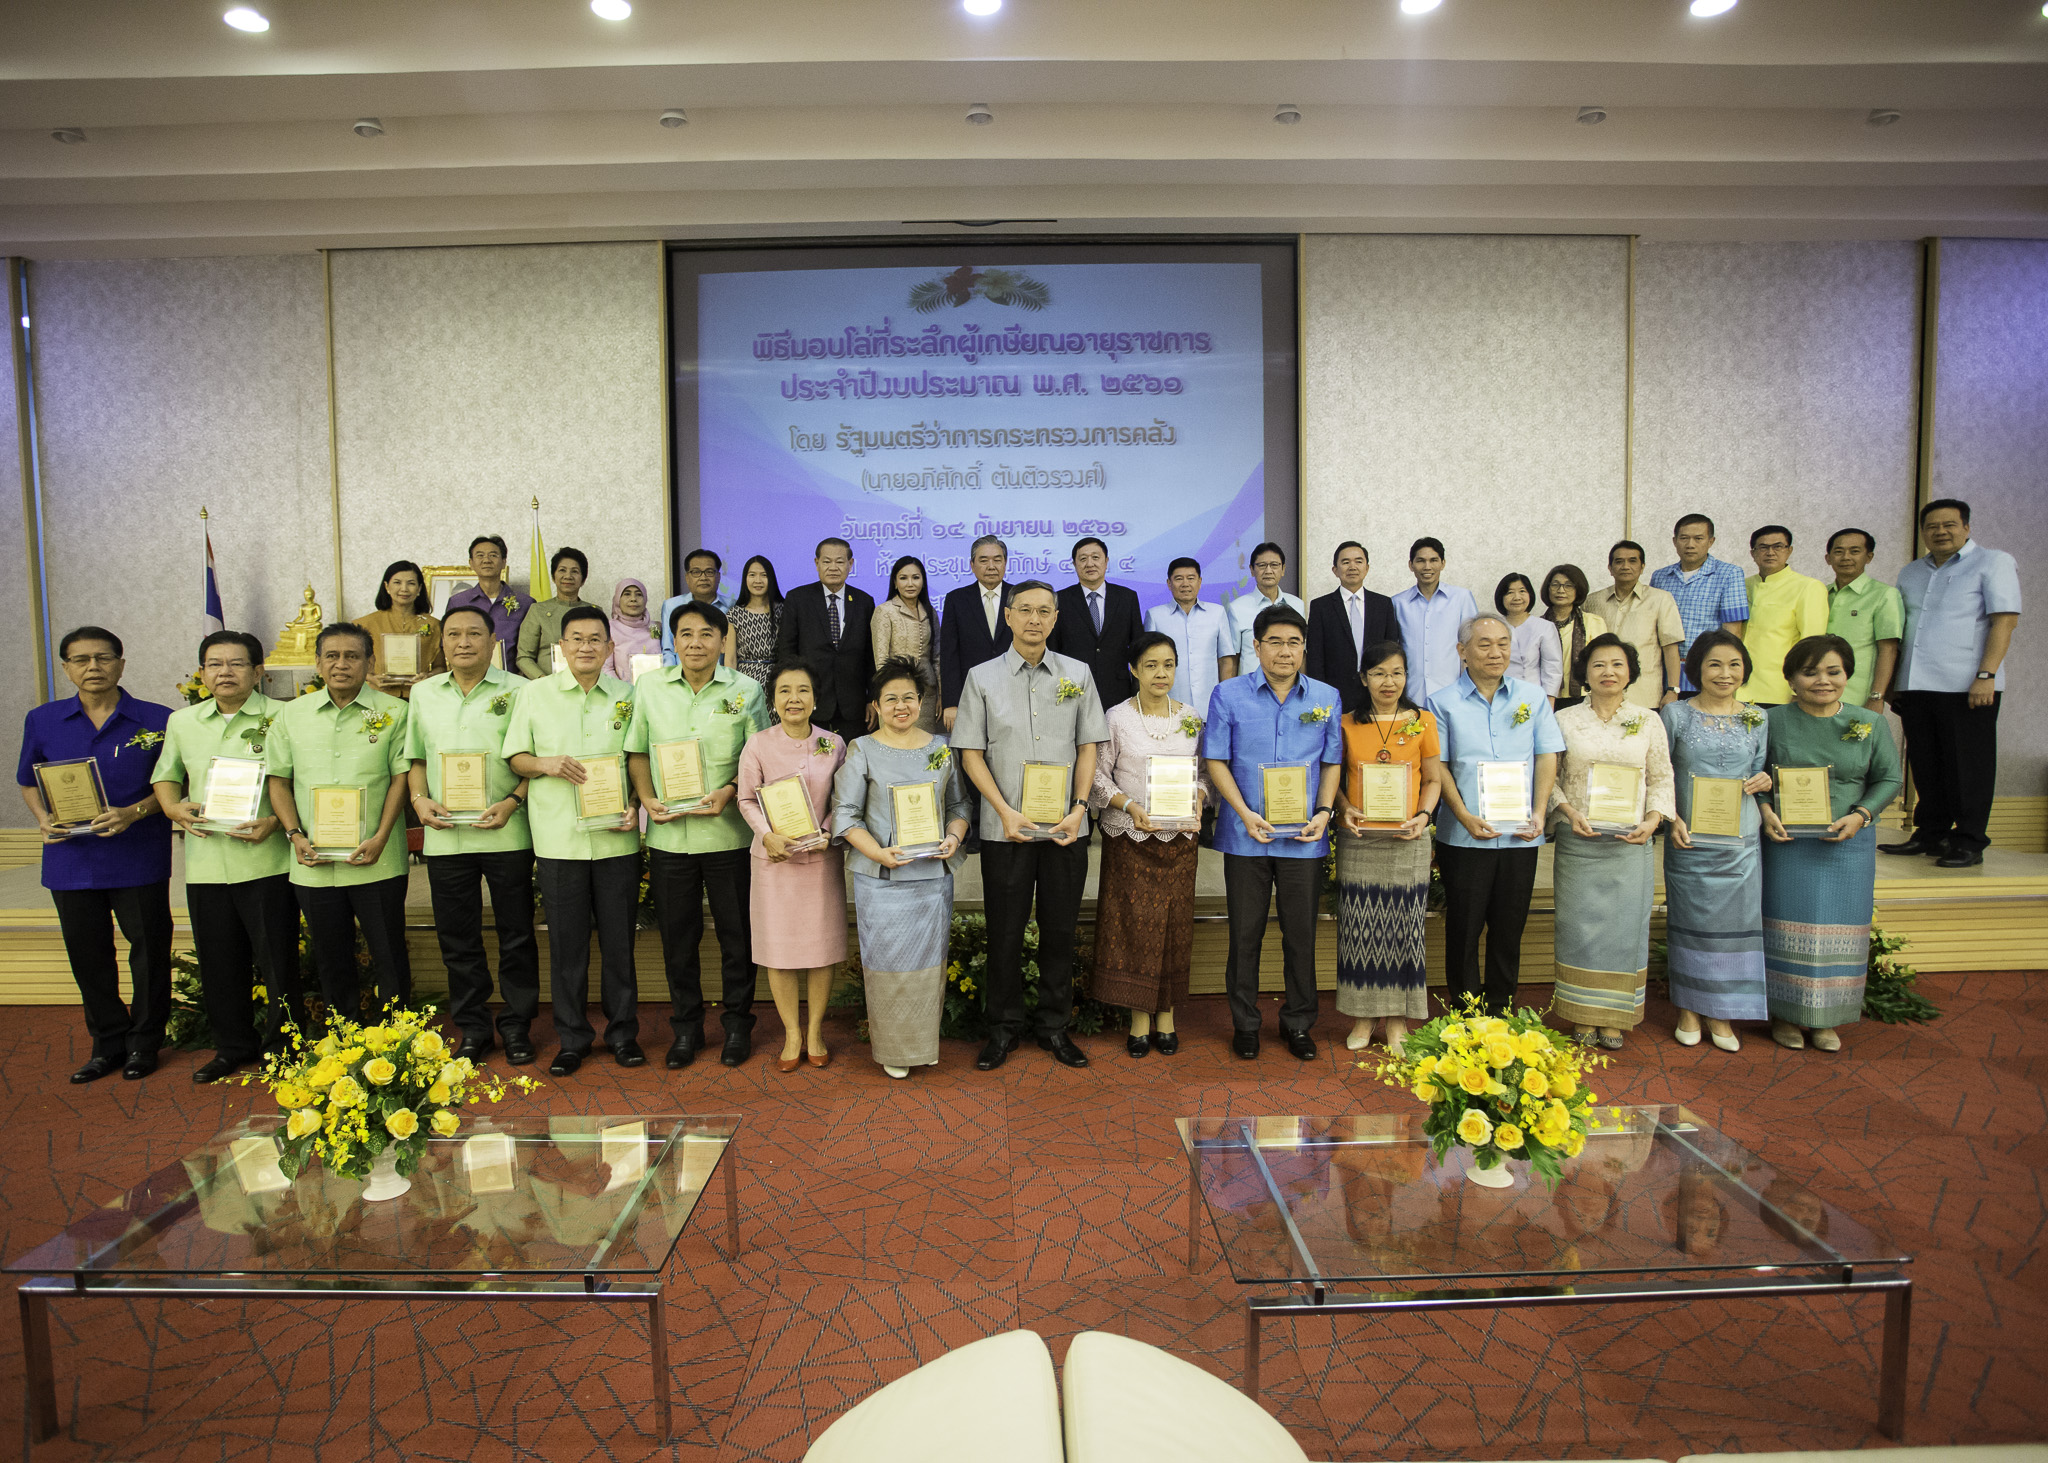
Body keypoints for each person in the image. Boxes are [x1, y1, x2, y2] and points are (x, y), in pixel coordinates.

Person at [953, 580, 1107, 1071]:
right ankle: (1003, 1029)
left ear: (1056, 618)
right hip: (1007, 830)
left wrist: (1080, 808)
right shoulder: (981, 677)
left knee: (1060, 931)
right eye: (1025, 610)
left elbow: (1088, 747)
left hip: (1065, 829)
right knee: (1005, 933)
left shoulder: (1078, 673)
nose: (1034, 619)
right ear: (1009, 617)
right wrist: (1003, 810)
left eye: (1044, 611)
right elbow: (970, 753)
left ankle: (1055, 1027)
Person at [17, 627, 174, 1082]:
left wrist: (134, 812)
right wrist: (43, 818)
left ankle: (145, 1042)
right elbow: (28, 780)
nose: (93, 667)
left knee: (150, 953)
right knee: (89, 956)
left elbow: (175, 785)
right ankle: (107, 1043)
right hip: (72, 859)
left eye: (103, 658)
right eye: (81, 659)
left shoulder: (158, 719)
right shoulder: (43, 719)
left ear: (121, 664)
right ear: (66, 667)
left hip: (138, 854)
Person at [151, 630, 303, 1081]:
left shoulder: (285, 716)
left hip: (267, 860)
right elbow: (166, 776)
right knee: (219, 963)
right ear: (202, 673)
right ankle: (232, 1046)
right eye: (214, 664)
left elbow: (300, 780)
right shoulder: (183, 722)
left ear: (258, 672)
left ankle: (284, 1047)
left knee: (278, 962)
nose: (225, 673)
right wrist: (173, 808)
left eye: (236, 664)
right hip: (206, 864)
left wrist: (275, 822)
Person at [626, 600, 770, 1067]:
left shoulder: (746, 690)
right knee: (678, 939)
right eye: (686, 634)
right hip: (670, 837)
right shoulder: (649, 687)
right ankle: (686, 1029)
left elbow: (761, 758)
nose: (696, 643)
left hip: (728, 836)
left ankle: (737, 1026)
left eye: (707, 634)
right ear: (674, 641)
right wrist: (646, 798)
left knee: (736, 937)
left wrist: (730, 789)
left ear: (723, 641)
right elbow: (637, 752)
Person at [503, 605, 642, 1075]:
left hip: (616, 840)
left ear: (610, 647)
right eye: (576, 639)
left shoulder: (628, 696)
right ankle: (573, 1039)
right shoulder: (535, 694)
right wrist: (545, 764)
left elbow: (639, 762)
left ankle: (623, 1035)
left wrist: (636, 804)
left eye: (595, 639)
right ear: (560, 647)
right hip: (559, 840)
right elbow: (515, 756)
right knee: (567, 948)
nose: (586, 647)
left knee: (619, 945)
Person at [1203, 604, 1343, 1061]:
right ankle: (1245, 1024)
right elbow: (1215, 759)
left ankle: (1298, 1023)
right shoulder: (1227, 694)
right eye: (1275, 642)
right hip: (1246, 834)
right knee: (1245, 935)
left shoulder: (1326, 696)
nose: (1285, 651)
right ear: (1257, 647)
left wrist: (1324, 811)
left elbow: (1332, 761)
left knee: (1301, 936)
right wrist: (1243, 813)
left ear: (1304, 648)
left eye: (1294, 642)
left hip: (1305, 837)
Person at [405, 603, 539, 1064]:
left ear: (493, 641)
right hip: (446, 837)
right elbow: (415, 758)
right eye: (454, 634)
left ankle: (517, 1026)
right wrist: (419, 801)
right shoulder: (423, 694)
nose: (463, 642)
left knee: (516, 934)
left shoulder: (521, 690)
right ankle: (474, 1028)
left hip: (506, 832)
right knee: (457, 938)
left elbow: (533, 759)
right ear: (442, 643)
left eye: (474, 634)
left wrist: (513, 800)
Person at [1760, 635, 1904, 1052]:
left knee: (1839, 928)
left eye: (1833, 672)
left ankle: (1827, 1019)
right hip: (1787, 843)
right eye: (1810, 672)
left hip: (1848, 844)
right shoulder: (1771, 720)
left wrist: (1861, 815)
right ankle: (1785, 1014)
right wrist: (1765, 810)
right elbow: (1753, 774)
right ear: (1791, 679)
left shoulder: (1869, 722)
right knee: (1786, 924)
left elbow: (1889, 778)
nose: (1822, 680)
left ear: (1847, 676)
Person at [265, 623, 412, 1026]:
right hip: (313, 861)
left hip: (378, 858)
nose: (341, 664)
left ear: (370, 662)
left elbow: (401, 779)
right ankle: (343, 1037)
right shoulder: (291, 714)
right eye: (332, 656)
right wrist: (294, 834)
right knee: (330, 957)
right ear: (317, 663)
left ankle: (399, 1037)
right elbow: (278, 781)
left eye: (352, 656)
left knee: (389, 954)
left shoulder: (396, 712)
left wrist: (381, 837)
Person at [831, 658, 971, 1078]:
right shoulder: (861, 749)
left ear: (922, 702)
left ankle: (923, 1044)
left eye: (909, 697)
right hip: (882, 880)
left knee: (928, 966)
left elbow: (959, 805)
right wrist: (878, 853)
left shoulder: (941, 747)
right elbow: (845, 815)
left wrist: (954, 837)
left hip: (931, 880)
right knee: (888, 966)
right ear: (875, 705)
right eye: (890, 699)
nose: (901, 706)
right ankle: (893, 1049)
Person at [1428, 615, 1563, 1013]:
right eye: (1484, 644)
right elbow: (1439, 766)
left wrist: (1540, 812)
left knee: (1509, 927)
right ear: (1462, 652)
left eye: (1503, 643)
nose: (1496, 652)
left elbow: (1547, 755)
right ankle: (1466, 1010)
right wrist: (1463, 815)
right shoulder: (1441, 702)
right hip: (1464, 835)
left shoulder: (1532, 697)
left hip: (1521, 834)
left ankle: (1502, 1008)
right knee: (1464, 928)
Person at [1546, 633, 1675, 1050]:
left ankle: (1614, 1017)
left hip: (1630, 844)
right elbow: (1549, 779)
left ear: (1631, 672)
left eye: (1618, 664)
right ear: (1584, 672)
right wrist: (1568, 812)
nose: (1608, 672)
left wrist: (1653, 820)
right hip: (1579, 841)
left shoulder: (1648, 720)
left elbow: (1661, 777)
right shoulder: (1565, 719)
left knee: (1624, 930)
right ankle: (1582, 1014)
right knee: (1578, 928)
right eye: (1598, 664)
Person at [1088, 631, 1210, 1058]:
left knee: (1175, 927)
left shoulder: (1191, 716)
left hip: (1179, 840)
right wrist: (1129, 805)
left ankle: (1167, 1015)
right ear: (1134, 670)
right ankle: (1138, 1018)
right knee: (1132, 927)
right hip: (1131, 836)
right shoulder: (1117, 717)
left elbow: (1204, 773)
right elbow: (1097, 775)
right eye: (1151, 665)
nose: (1161, 673)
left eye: (1169, 665)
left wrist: (1198, 797)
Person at [1884, 498, 2022, 869]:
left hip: (1967, 685)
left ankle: (1970, 840)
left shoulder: (1993, 562)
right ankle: (1930, 833)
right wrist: (1895, 683)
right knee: (1926, 765)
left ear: (1966, 527)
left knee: (1969, 767)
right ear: (1923, 532)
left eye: (1949, 525)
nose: (1940, 532)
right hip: (1916, 683)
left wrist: (1986, 675)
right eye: (1932, 526)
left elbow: (2005, 621)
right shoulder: (1911, 571)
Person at [1661, 630, 1772, 1052]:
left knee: (1735, 925)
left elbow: (1758, 769)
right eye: (1714, 664)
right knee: (1692, 925)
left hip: (1740, 841)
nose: (1725, 673)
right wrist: (1672, 818)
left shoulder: (1758, 717)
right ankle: (1689, 1008)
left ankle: (1722, 1011)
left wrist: (1764, 782)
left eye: (1734, 665)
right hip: (1689, 837)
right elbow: (1661, 773)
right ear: (1696, 670)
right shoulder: (1675, 715)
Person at [736, 661, 849, 1072]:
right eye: (784, 691)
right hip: (774, 862)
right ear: (773, 700)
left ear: (815, 699)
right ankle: (792, 1034)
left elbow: (845, 798)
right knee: (778, 951)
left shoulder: (833, 743)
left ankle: (815, 1031)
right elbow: (746, 799)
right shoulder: (758, 744)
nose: (794, 699)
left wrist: (829, 830)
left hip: (820, 860)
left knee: (822, 950)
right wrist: (767, 835)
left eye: (803, 690)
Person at [1332, 640, 1440, 1053]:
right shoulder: (1347, 723)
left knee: (1404, 931)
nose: (1388, 681)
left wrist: (1423, 816)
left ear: (1407, 676)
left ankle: (1397, 1021)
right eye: (1378, 673)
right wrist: (1344, 808)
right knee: (1360, 931)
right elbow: (1333, 779)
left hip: (1407, 839)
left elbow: (1433, 779)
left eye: (1396, 673)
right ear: (1364, 679)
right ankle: (1363, 1017)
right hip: (1361, 840)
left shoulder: (1422, 721)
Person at [775, 536, 875, 744]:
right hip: (811, 700)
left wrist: (871, 699)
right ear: (817, 563)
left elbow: (870, 656)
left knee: (851, 759)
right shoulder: (797, 599)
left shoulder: (864, 601)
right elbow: (786, 652)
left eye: (840, 561)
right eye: (827, 561)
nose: (833, 567)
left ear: (850, 564)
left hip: (853, 705)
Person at [1650, 514, 1751, 692]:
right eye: (1684, 538)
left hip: (1706, 672)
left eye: (1698, 538)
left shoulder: (1729, 574)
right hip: (1662, 672)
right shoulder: (1660, 577)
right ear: (1674, 541)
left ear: (1711, 541)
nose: (1690, 544)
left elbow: (1733, 633)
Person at [1585, 541, 1683, 710]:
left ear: (1642, 567)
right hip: (1601, 696)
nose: (1625, 566)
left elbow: (1670, 648)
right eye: (1619, 561)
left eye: (1632, 561)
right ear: (1610, 568)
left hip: (1644, 696)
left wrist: (1673, 690)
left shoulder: (1660, 599)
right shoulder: (1592, 601)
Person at [1306, 540, 1399, 717]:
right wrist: (1319, 695)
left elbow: (1391, 650)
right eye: (1345, 562)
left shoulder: (1383, 604)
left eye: (1358, 561)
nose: (1352, 567)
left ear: (1367, 568)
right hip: (1334, 692)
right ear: (1335, 570)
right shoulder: (1321, 606)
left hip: (1376, 691)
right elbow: (1315, 656)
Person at [1738, 526, 1829, 706]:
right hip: (1735, 688)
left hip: (1779, 689)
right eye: (1763, 547)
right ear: (1753, 553)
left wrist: (1799, 689)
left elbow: (1812, 644)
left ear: (1789, 550)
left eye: (1778, 546)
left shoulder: (1808, 587)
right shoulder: (1741, 585)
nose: (1770, 552)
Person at [1051, 535, 1144, 709]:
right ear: (1074, 564)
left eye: (1095, 557)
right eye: (1083, 559)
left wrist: (1138, 690)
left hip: (1119, 691)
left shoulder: (1127, 597)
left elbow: (1138, 647)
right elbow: (1053, 649)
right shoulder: (1060, 599)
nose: (1090, 564)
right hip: (1073, 691)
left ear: (1106, 561)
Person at [1824, 528, 1905, 712]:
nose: (1846, 557)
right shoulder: (1820, 593)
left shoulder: (1884, 595)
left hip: (1859, 696)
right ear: (1828, 558)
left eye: (1854, 551)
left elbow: (1888, 650)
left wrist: (1877, 696)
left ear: (1869, 557)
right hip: (1819, 691)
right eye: (1839, 551)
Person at [939, 534, 1014, 730]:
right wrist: (951, 703)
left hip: (1015, 691)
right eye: (983, 560)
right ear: (972, 565)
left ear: (1005, 563)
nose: (991, 566)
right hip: (971, 693)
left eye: (997, 560)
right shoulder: (956, 599)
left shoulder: (1020, 596)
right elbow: (949, 654)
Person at [1392, 538, 1480, 701]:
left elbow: (1473, 645)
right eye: (1420, 561)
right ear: (1411, 565)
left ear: (1443, 563)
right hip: (1411, 695)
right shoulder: (1398, 603)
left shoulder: (1461, 598)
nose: (1427, 567)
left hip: (1453, 693)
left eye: (1433, 560)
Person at [1144, 557, 1233, 713]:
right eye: (1179, 579)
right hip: (1169, 707)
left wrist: (1225, 699)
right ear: (1169, 583)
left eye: (1191, 578)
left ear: (1200, 581)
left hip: (1210, 706)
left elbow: (1226, 660)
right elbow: (1148, 663)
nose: (1185, 584)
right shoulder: (1155, 615)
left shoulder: (1217, 613)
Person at [871, 554, 943, 731]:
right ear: (895, 583)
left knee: (928, 744)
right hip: (897, 696)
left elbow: (937, 657)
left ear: (923, 582)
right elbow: (881, 661)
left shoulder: (930, 612)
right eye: (903, 578)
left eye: (916, 578)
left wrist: (942, 694)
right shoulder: (885, 611)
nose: (910, 584)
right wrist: (889, 696)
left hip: (928, 693)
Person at [354, 559, 443, 700]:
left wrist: (428, 676)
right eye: (397, 582)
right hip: (377, 696)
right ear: (387, 587)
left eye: (411, 583)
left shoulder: (434, 625)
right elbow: (352, 663)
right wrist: (371, 678)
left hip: (419, 697)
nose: (404, 589)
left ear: (419, 588)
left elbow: (441, 667)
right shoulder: (364, 624)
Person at [445, 534, 531, 666]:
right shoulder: (457, 602)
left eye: (493, 555)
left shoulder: (525, 603)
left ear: (503, 562)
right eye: (480, 555)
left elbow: (531, 650)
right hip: (469, 674)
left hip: (512, 676)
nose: (486, 560)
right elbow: (447, 643)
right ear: (471, 563)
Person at [1225, 541, 1307, 678]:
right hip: (1251, 685)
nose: (1268, 571)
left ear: (1283, 569)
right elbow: (1233, 658)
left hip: (1288, 684)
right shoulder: (1237, 608)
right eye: (1262, 565)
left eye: (1274, 565)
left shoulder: (1297, 605)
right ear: (1252, 570)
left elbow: (1302, 653)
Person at [516, 546, 594, 679]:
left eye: (575, 571)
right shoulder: (538, 611)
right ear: (553, 576)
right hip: (545, 684)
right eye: (562, 570)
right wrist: (543, 681)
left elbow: (600, 653)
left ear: (583, 579)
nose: (568, 576)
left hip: (585, 683)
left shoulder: (594, 612)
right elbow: (524, 657)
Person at [1540, 563, 1606, 708]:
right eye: (1555, 585)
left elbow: (1602, 661)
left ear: (1578, 589)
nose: (1561, 590)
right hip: (1546, 697)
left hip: (1584, 697)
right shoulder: (1538, 625)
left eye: (1568, 585)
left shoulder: (1593, 622)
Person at [660, 548, 736, 666]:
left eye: (709, 572)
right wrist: (673, 675)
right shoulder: (671, 606)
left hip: (719, 673)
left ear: (718, 577)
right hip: (682, 672)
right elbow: (668, 649)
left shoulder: (732, 606)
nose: (703, 577)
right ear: (687, 577)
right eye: (696, 572)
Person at [1497, 572, 1562, 702]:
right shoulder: (1494, 626)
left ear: (1530, 595)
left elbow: (1552, 668)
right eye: (1510, 592)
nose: (1517, 597)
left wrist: (1549, 702)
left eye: (1522, 591)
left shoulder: (1544, 627)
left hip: (1533, 695)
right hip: (1499, 695)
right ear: (1501, 597)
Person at [724, 554, 783, 687]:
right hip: (745, 681)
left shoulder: (783, 610)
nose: (758, 580)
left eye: (764, 575)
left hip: (777, 680)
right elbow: (730, 659)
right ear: (745, 578)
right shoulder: (735, 614)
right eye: (752, 575)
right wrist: (730, 687)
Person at [605, 577, 659, 682]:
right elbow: (606, 669)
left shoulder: (657, 627)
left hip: (655, 688)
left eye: (639, 594)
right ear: (617, 599)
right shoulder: (609, 628)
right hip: (622, 689)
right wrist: (624, 689)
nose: (633, 599)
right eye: (627, 594)